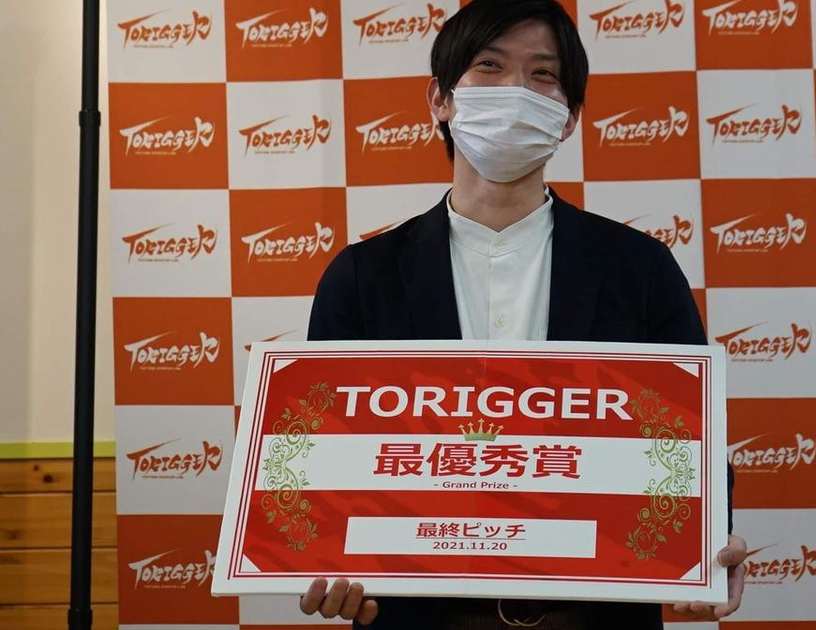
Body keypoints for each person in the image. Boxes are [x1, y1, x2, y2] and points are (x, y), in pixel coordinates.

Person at [300, 0, 746, 627]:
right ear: (440, 99)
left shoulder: (640, 268)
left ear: (568, 118)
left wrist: (707, 545)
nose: (515, 90)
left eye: (543, 74)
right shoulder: (361, 276)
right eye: (489, 66)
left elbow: (689, 440)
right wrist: (316, 556)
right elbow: (320, 453)